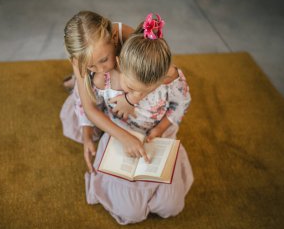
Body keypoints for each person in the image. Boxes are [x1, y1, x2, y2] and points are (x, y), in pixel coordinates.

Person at [73, 13, 194, 224]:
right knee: (130, 213)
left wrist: (160, 129)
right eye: (132, 89)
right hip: (121, 128)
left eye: (146, 91)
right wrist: (90, 132)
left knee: (171, 206)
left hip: (159, 132)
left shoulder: (167, 76)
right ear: (120, 64)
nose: (138, 95)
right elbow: (92, 106)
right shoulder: (104, 80)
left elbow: (181, 103)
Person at [59, 11, 149, 170]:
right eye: (92, 66)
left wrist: (131, 99)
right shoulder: (78, 58)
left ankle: (80, 80)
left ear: (114, 38)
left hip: (124, 82)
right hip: (100, 88)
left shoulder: (127, 36)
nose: (102, 69)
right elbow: (88, 108)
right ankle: (79, 79)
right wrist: (124, 138)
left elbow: (162, 73)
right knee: (78, 122)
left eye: (104, 60)